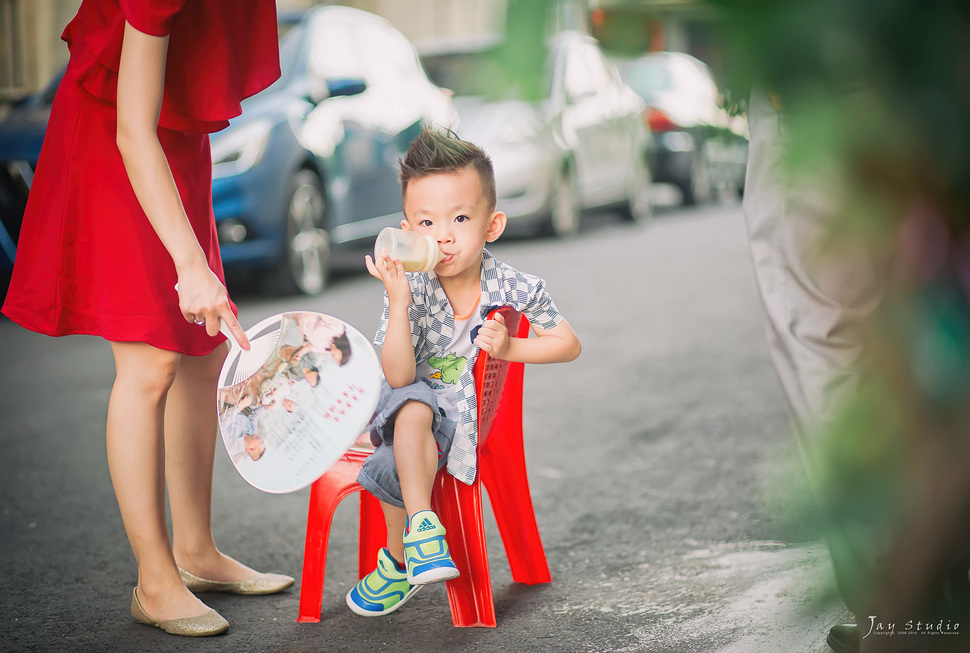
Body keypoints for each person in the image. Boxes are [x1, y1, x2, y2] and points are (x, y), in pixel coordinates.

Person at [1, 0, 292, 637]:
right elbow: (131, 130)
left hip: (173, 139)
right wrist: (189, 263)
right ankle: (153, 580)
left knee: (202, 345)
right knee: (149, 360)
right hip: (117, 141)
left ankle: (195, 552)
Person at [346, 127, 582, 617]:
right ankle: (425, 529)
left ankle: (395, 559)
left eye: (459, 218)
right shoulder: (409, 285)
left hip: (467, 424)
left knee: (402, 432)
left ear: (491, 225)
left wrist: (513, 346)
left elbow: (568, 344)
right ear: (409, 231)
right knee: (409, 407)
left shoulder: (513, 285)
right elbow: (397, 375)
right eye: (426, 222)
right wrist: (398, 300)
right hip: (410, 410)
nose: (443, 236)